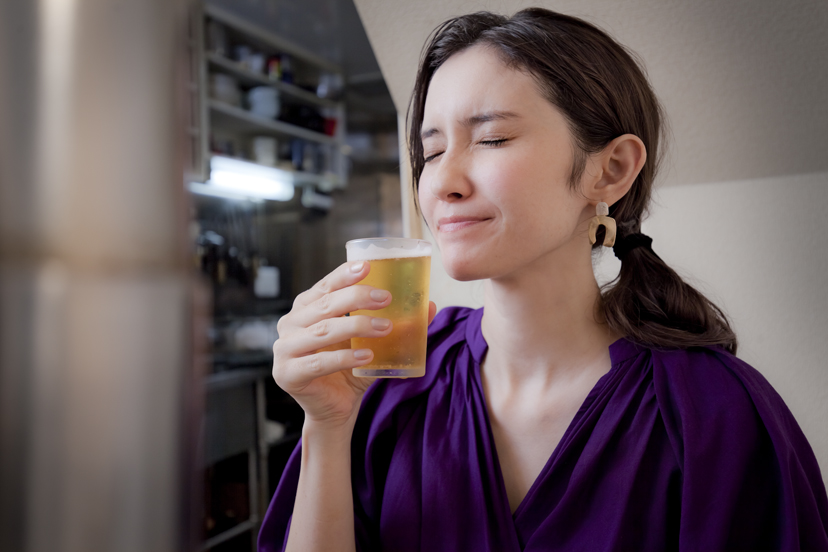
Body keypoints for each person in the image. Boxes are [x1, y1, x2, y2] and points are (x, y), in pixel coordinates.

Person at [258, 8, 828, 552]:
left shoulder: (716, 413)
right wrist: (327, 428)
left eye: (492, 139)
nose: (443, 182)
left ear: (611, 170)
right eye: (431, 151)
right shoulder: (386, 388)